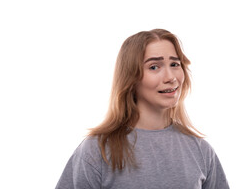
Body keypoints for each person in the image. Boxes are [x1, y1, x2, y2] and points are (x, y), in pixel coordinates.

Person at [55, 29, 230, 189]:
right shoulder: (97, 150)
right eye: (154, 67)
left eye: (175, 64)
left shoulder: (201, 151)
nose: (170, 77)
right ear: (131, 78)